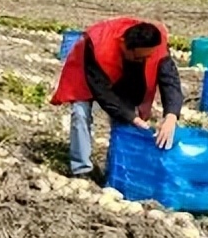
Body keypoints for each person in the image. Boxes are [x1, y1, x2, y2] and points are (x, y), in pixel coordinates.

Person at [51, 17, 183, 178]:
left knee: (127, 120)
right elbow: (103, 93)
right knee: (80, 112)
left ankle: (120, 167)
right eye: (139, 58)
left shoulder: (155, 45)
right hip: (88, 76)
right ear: (123, 44)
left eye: (147, 58)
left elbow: (170, 80)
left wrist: (171, 115)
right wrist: (131, 117)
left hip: (125, 77)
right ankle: (81, 168)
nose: (144, 61)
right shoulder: (98, 44)